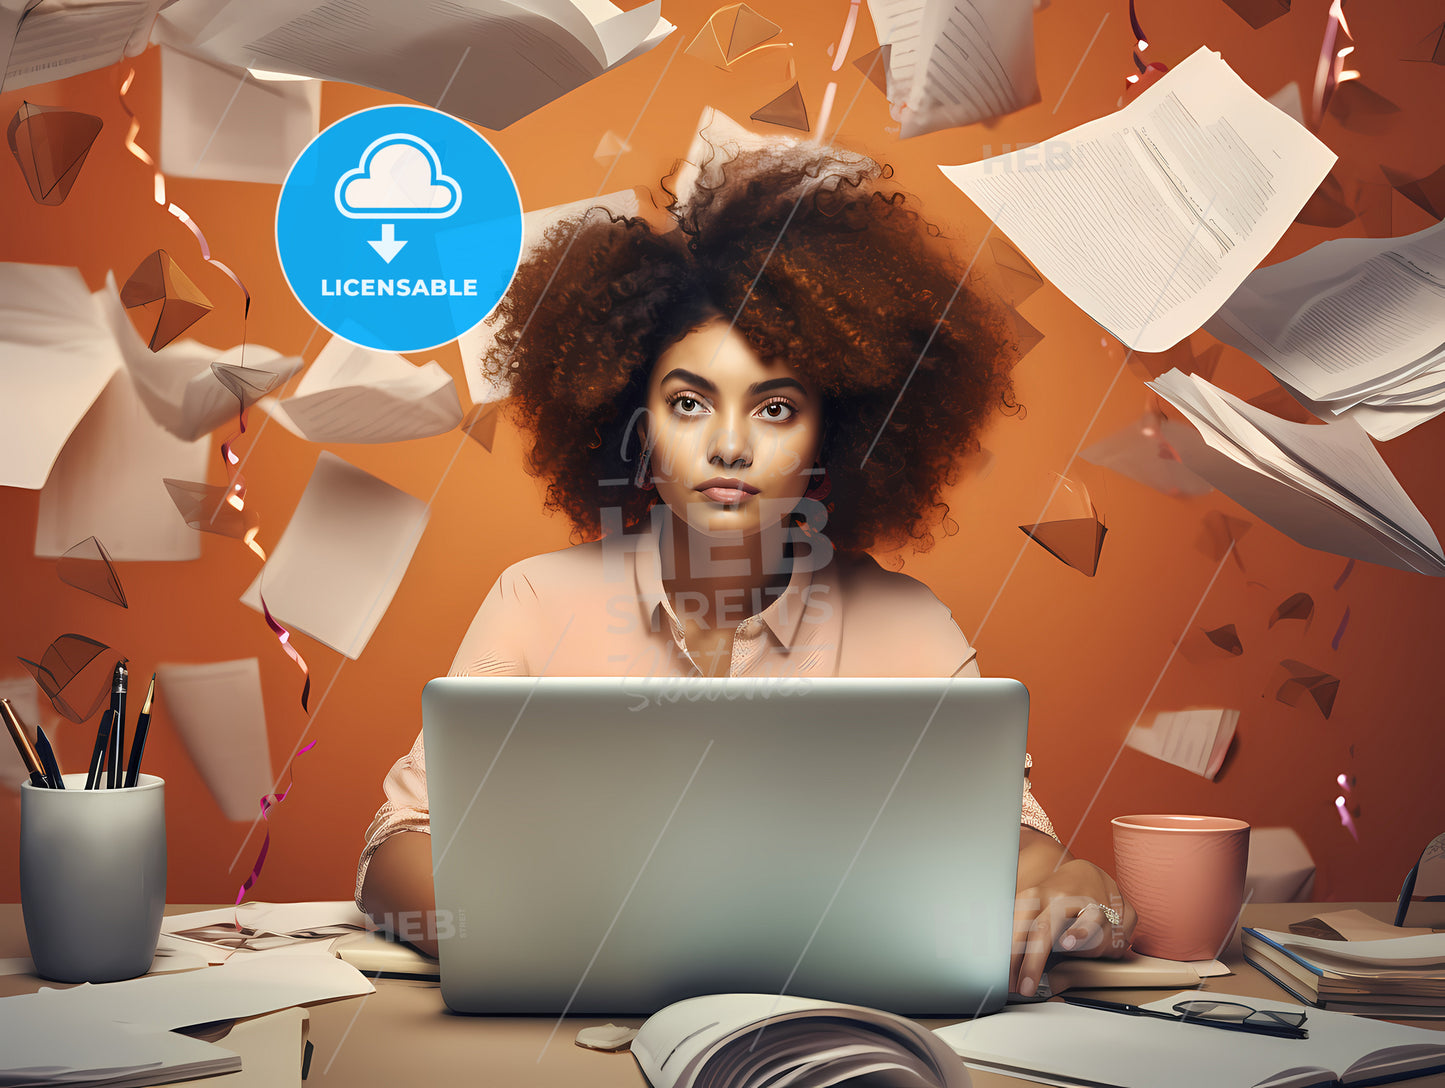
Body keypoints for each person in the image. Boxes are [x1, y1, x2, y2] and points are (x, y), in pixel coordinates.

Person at [357, 135, 1137, 996]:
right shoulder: (537, 601)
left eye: (773, 407)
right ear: (634, 423)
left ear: (832, 436)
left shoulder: (909, 626)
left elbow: (1013, 848)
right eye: (688, 403)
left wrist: (1070, 889)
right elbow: (398, 846)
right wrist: (538, 933)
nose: (727, 445)